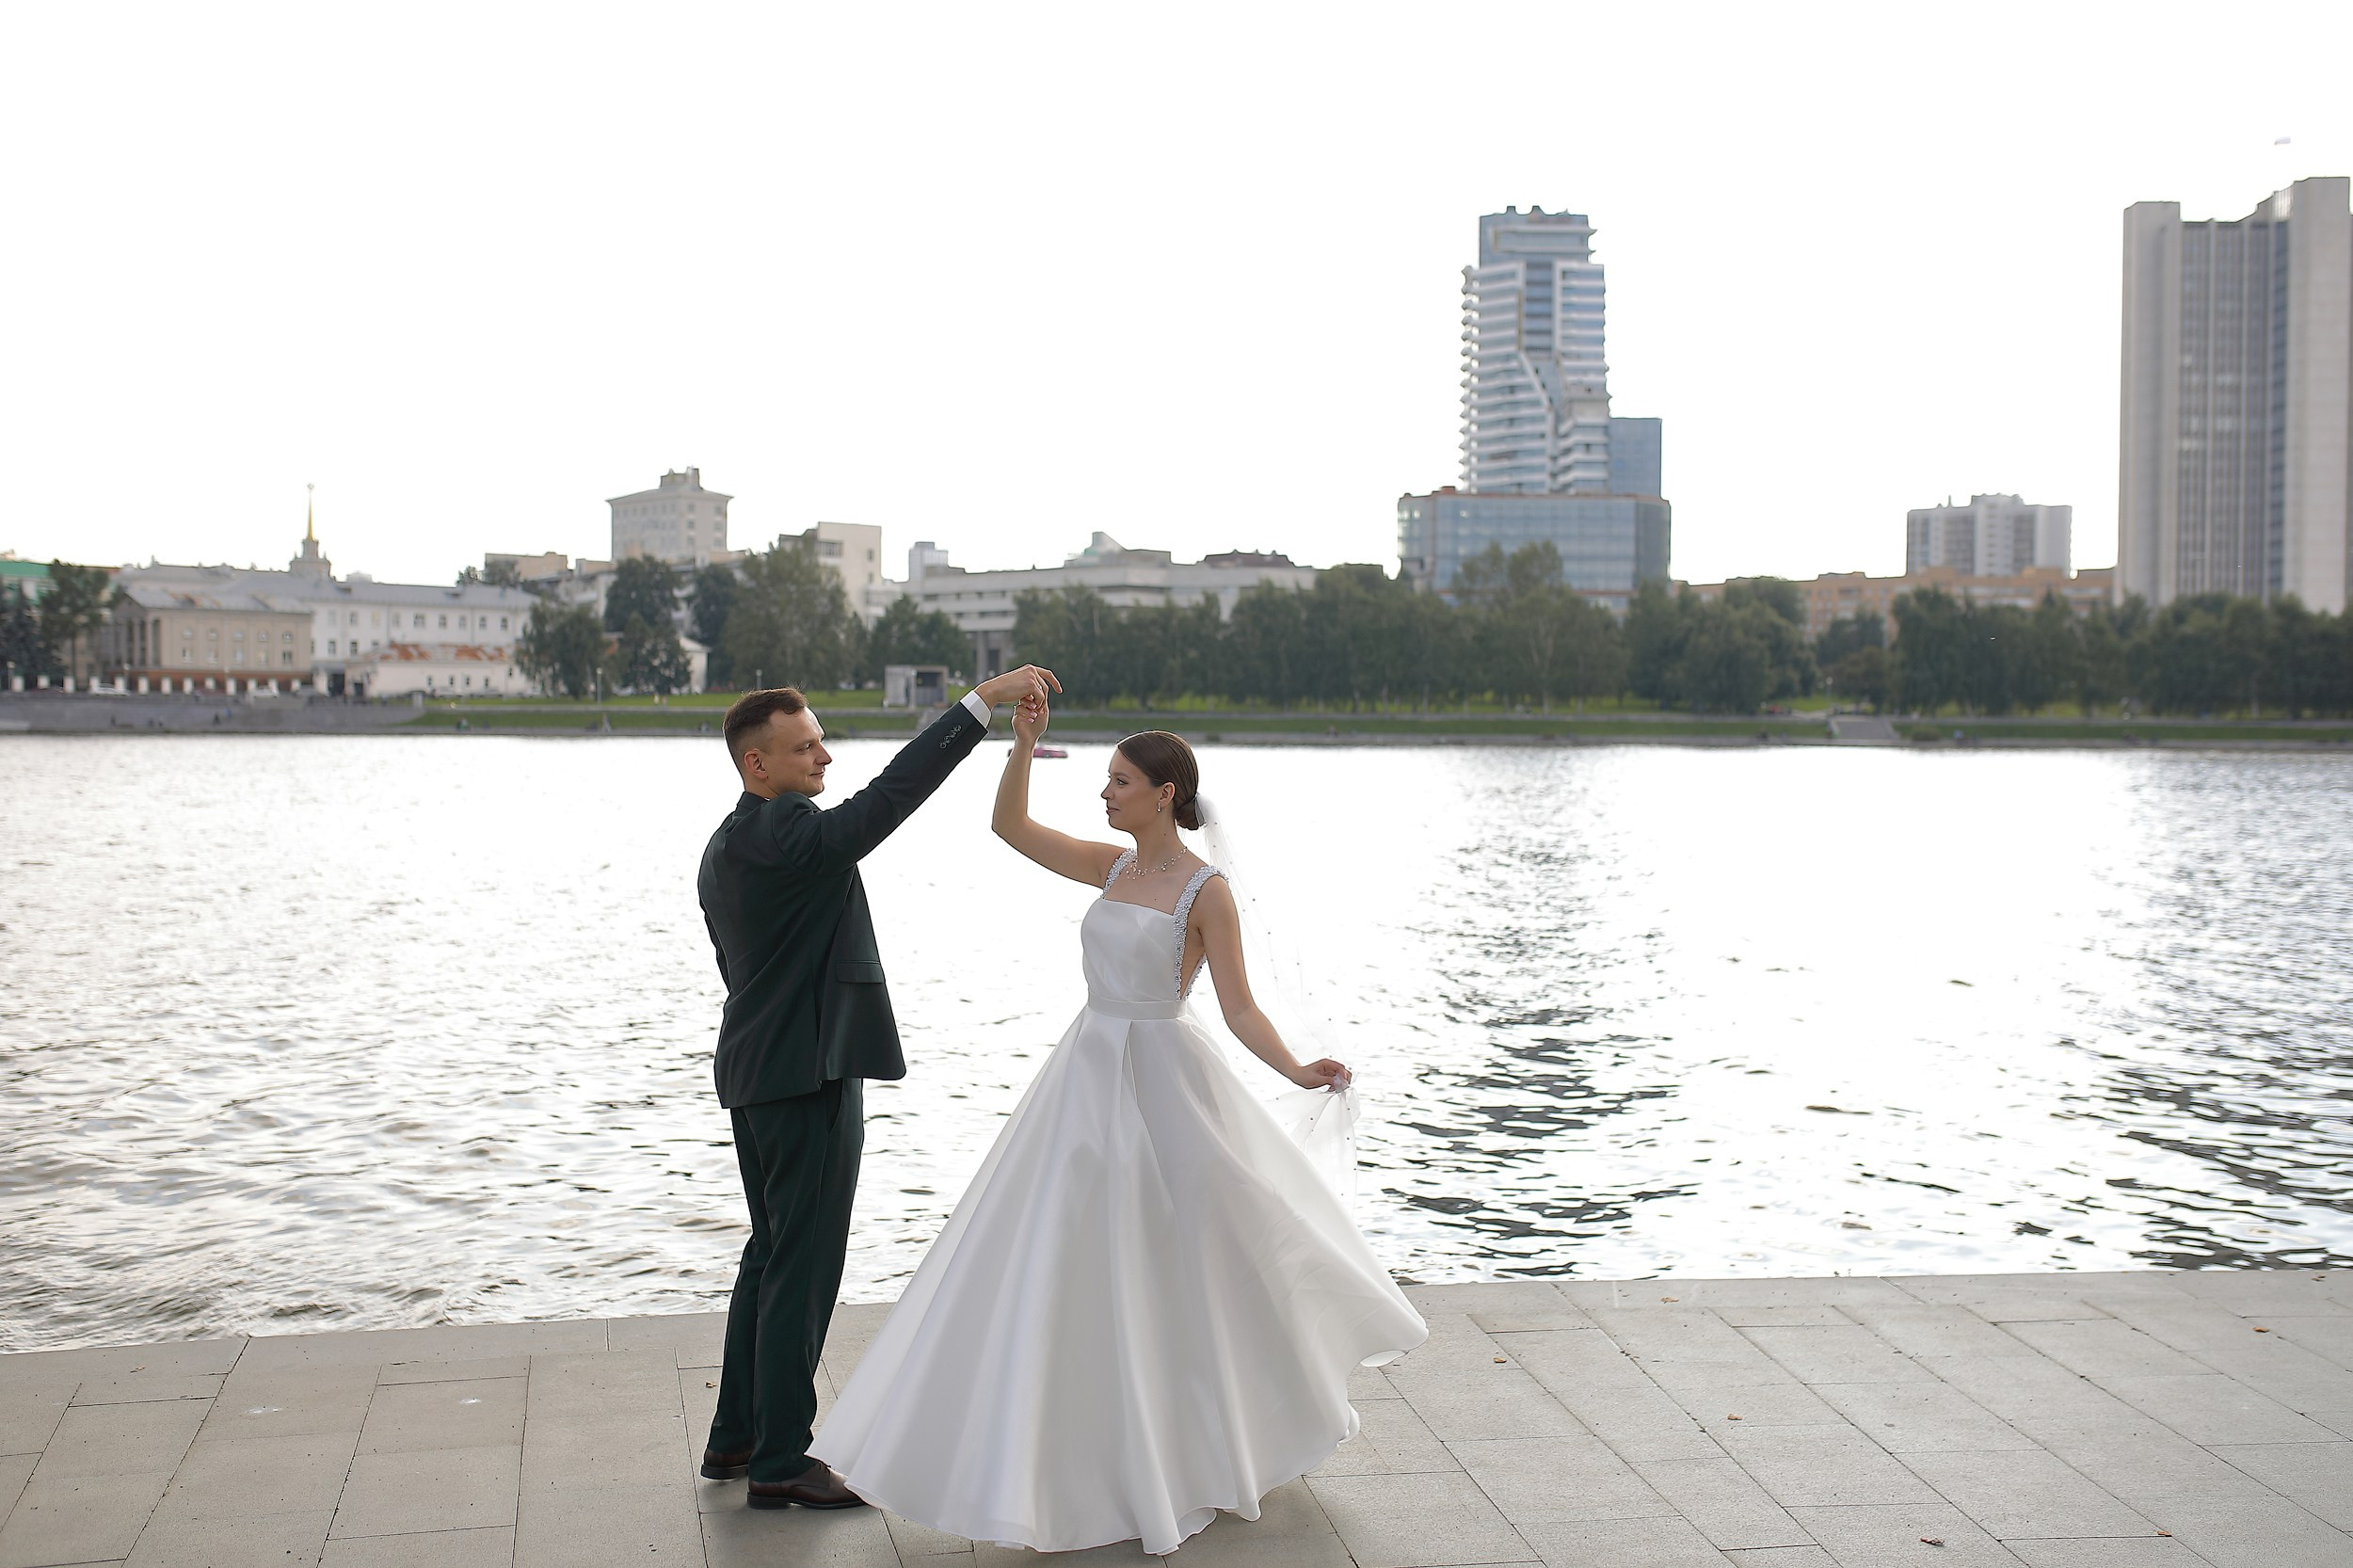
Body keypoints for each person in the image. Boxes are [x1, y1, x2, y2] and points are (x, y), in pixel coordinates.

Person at [810, 693, 1426, 1553]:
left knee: (1183, 1255)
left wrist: (1295, 1067)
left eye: (1121, 781)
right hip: (1085, 1072)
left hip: (1165, 1076)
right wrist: (1022, 744)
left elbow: (1239, 1006)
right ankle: (1070, 1450)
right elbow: (1012, 829)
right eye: (1106, 780)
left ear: (1165, 793)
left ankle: (1208, 1436)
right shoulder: (1109, 868)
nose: (1106, 793)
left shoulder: (1206, 893)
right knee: (1063, 1251)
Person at [697, 668, 1058, 1510]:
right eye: (805, 746)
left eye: (820, 738)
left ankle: (737, 1437)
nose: (825, 754)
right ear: (758, 764)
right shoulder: (792, 833)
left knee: (768, 1256)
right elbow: (888, 800)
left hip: (755, 1073)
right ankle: (783, 1458)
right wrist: (980, 704)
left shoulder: (727, 844)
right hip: (805, 1075)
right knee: (805, 1266)